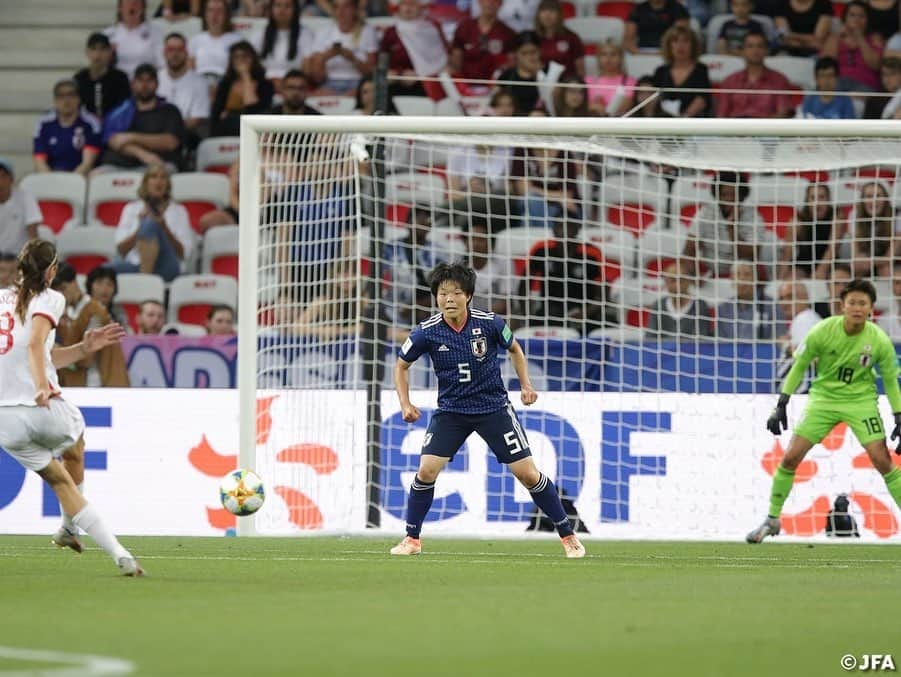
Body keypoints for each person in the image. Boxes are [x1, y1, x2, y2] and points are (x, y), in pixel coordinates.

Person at [391, 261, 586, 558]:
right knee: (426, 470)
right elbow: (401, 366)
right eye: (443, 294)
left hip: (493, 407)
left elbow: (515, 349)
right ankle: (411, 539)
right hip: (452, 411)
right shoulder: (426, 332)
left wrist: (526, 385)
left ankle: (568, 535)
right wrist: (405, 403)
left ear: (468, 295)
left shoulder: (490, 322)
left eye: (455, 293)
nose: (449, 299)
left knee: (528, 475)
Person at [0, 239, 143, 575]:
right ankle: (92, 540)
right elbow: (35, 343)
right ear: (52, 270)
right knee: (76, 439)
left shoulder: (1, 300)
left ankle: (96, 543)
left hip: (5, 420)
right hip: (41, 406)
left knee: (61, 479)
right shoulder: (51, 297)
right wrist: (40, 388)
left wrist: (82, 348)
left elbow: (33, 351)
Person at [748, 278, 901, 543]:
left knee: (883, 461)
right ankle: (772, 519)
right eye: (852, 302)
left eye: (862, 303)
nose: (856, 307)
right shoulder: (822, 331)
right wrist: (781, 404)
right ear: (842, 305)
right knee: (790, 458)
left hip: (860, 402)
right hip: (823, 400)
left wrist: (898, 415)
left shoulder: (879, 341)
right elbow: (799, 366)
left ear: (870, 308)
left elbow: (890, 380)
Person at [683, 171, 775, 279]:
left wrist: (731, 228)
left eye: (734, 195)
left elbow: (750, 257)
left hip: (742, 274)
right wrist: (695, 275)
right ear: (717, 195)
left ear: (742, 196)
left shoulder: (754, 218)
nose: (729, 199)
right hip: (708, 271)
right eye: (724, 195)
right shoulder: (706, 212)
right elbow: (689, 249)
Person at [51, 263, 130, 387]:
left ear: (74, 283)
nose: (61, 295)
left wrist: (58, 350)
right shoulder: (68, 313)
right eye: (56, 291)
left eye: (63, 288)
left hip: (98, 383)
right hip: (79, 383)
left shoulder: (95, 311)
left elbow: (87, 358)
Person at [112, 165, 194, 282]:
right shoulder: (131, 209)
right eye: (154, 177)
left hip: (167, 267)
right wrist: (140, 228)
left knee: (151, 224)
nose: (158, 181)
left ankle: (145, 283)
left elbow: (183, 254)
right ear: (146, 182)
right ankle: (146, 279)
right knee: (102, 271)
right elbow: (122, 250)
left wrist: (164, 227)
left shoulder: (179, 211)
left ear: (168, 184)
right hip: (136, 265)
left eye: (163, 177)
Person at [100, 63, 186, 171]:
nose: (144, 85)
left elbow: (170, 142)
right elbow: (114, 141)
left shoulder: (170, 110)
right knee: (96, 176)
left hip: (159, 165)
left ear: (157, 84)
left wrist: (131, 137)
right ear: (133, 84)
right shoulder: (121, 111)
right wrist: (142, 154)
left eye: (149, 80)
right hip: (121, 165)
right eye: (140, 80)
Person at [305, 0, 378, 95]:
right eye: (336, 7)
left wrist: (352, 58)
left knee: (366, 93)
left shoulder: (368, 32)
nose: (340, 11)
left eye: (346, 7)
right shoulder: (323, 32)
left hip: (358, 83)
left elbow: (371, 73)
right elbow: (316, 77)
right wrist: (326, 56)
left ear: (355, 9)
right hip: (329, 83)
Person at [716, 32, 795, 118]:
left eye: (760, 46)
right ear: (742, 51)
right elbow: (721, 115)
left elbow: (783, 113)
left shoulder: (779, 80)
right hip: (735, 129)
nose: (755, 50)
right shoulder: (730, 81)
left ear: (767, 51)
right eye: (750, 46)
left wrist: (759, 128)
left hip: (767, 129)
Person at [33, 80, 102, 175]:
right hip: (51, 174)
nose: (66, 100)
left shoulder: (91, 123)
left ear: (78, 98)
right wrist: (49, 180)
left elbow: (87, 163)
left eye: (71, 95)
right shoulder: (43, 123)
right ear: (55, 100)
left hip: (81, 176)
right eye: (61, 96)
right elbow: (39, 160)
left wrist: (70, 183)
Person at [210, 41, 274, 136]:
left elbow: (254, 111)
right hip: (227, 131)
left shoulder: (265, 84)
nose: (240, 60)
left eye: (245, 56)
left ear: (253, 59)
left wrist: (245, 75)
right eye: (236, 57)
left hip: (255, 132)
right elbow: (217, 114)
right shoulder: (225, 84)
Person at [157, 33, 211, 143]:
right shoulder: (155, 79)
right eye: (170, 49)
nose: (175, 54)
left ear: (186, 53)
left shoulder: (200, 82)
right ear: (164, 53)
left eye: (180, 49)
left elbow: (197, 119)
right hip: (155, 132)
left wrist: (171, 131)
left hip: (185, 134)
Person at [820, 0, 884, 92]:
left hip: (865, 85)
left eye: (861, 16)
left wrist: (860, 37)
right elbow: (826, 65)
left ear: (868, 20)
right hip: (838, 84)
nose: (856, 20)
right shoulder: (835, 38)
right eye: (852, 15)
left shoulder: (875, 39)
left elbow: (876, 65)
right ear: (845, 18)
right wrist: (838, 37)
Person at [450, 0, 516, 87]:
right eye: (486, 0)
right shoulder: (464, 27)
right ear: (479, 2)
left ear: (501, 4)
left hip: (495, 88)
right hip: (465, 86)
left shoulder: (507, 33)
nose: (490, 3)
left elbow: (511, 63)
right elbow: (456, 61)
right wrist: (459, 85)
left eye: (495, 1)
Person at [777, 182, 835, 280]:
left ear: (828, 199)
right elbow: (787, 255)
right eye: (813, 198)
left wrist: (821, 271)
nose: (817, 203)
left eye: (822, 197)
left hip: (830, 264)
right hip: (803, 265)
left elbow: (833, 248)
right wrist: (780, 281)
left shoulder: (836, 217)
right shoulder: (797, 221)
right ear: (807, 201)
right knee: (791, 279)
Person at [652, 24, 713, 118]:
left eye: (685, 41)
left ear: (693, 45)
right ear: (669, 45)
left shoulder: (701, 70)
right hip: (664, 122)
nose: (680, 46)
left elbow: (702, 99)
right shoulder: (661, 71)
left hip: (692, 122)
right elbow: (655, 100)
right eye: (675, 41)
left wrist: (683, 118)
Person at [252, 0, 315, 88]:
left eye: (287, 6)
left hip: (293, 84)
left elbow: (308, 67)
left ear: (295, 10)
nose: (282, 10)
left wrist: (284, 83)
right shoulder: (260, 34)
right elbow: (252, 64)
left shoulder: (305, 34)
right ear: (271, 9)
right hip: (264, 83)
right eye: (278, 5)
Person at [647, 257, 714, 339]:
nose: (677, 285)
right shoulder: (658, 306)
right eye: (672, 280)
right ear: (666, 282)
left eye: (681, 280)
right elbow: (650, 339)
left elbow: (701, 340)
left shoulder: (700, 306)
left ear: (689, 281)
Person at [74, 32, 132, 119]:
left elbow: (125, 107)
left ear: (110, 52)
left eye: (102, 49)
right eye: (94, 49)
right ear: (87, 52)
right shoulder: (79, 79)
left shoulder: (120, 78)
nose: (98, 54)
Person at [716, 260, 776, 340]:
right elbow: (719, 341)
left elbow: (779, 335)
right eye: (738, 274)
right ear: (732, 280)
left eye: (747, 274)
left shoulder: (771, 305)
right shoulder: (723, 308)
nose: (742, 279)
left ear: (755, 279)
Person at [104, 0, 165, 78]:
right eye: (128, 3)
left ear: (143, 8)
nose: (132, 6)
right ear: (120, 8)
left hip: (146, 84)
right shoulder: (108, 34)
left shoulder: (156, 33)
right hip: (117, 84)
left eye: (136, 3)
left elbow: (162, 65)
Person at [188, 0, 243, 79]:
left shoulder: (237, 40)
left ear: (226, 15)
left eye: (219, 11)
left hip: (226, 83)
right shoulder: (195, 40)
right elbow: (189, 69)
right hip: (200, 82)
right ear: (205, 14)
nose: (215, 15)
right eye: (211, 10)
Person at [0, 159, 41, 260]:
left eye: (3, 176)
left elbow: (33, 235)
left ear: (11, 179)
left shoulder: (26, 198)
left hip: (19, 258)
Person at [495, 31, 543, 115]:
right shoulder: (507, 76)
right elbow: (494, 103)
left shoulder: (549, 74)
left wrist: (538, 75)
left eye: (533, 52)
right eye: (524, 53)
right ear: (516, 54)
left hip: (538, 123)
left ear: (540, 51)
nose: (529, 57)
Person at [586, 40, 636, 117]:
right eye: (604, 54)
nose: (608, 58)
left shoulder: (630, 82)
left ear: (620, 58)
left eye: (613, 54)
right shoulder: (588, 81)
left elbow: (625, 106)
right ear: (598, 58)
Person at [534, 0, 584, 77]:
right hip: (539, 83)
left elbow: (580, 69)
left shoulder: (571, 38)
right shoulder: (532, 38)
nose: (547, 15)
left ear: (559, 15)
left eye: (552, 10)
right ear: (538, 15)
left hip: (566, 84)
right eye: (543, 10)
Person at [624, 0, 690, 54]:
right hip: (642, 50)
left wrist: (667, 51)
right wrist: (638, 53)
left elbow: (681, 35)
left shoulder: (678, 9)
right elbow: (629, 39)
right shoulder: (637, 10)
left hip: (670, 51)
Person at [86, 265, 129, 329]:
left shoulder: (118, 312)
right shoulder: (82, 309)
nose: (104, 289)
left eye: (109, 284)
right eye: (99, 283)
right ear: (90, 286)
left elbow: (125, 333)